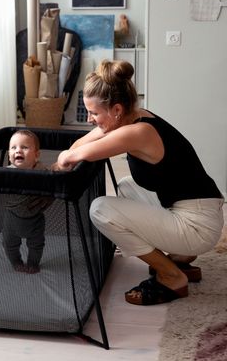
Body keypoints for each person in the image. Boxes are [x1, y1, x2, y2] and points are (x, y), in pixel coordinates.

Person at [55, 59, 224, 305]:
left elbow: (73, 154)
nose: (90, 119)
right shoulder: (138, 116)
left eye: (94, 113)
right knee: (126, 185)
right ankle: (180, 256)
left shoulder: (136, 133)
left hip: (198, 225)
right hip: (199, 209)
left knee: (101, 209)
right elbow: (83, 142)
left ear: (116, 110)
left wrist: (59, 161)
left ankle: (171, 275)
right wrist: (95, 132)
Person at [3, 129, 52, 274]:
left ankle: (33, 263)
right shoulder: (5, 174)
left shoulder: (42, 171)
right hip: (11, 218)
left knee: (36, 244)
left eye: (24, 147)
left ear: (36, 155)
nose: (18, 150)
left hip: (35, 219)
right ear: (9, 155)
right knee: (9, 244)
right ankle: (16, 262)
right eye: (14, 148)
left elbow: (52, 184)